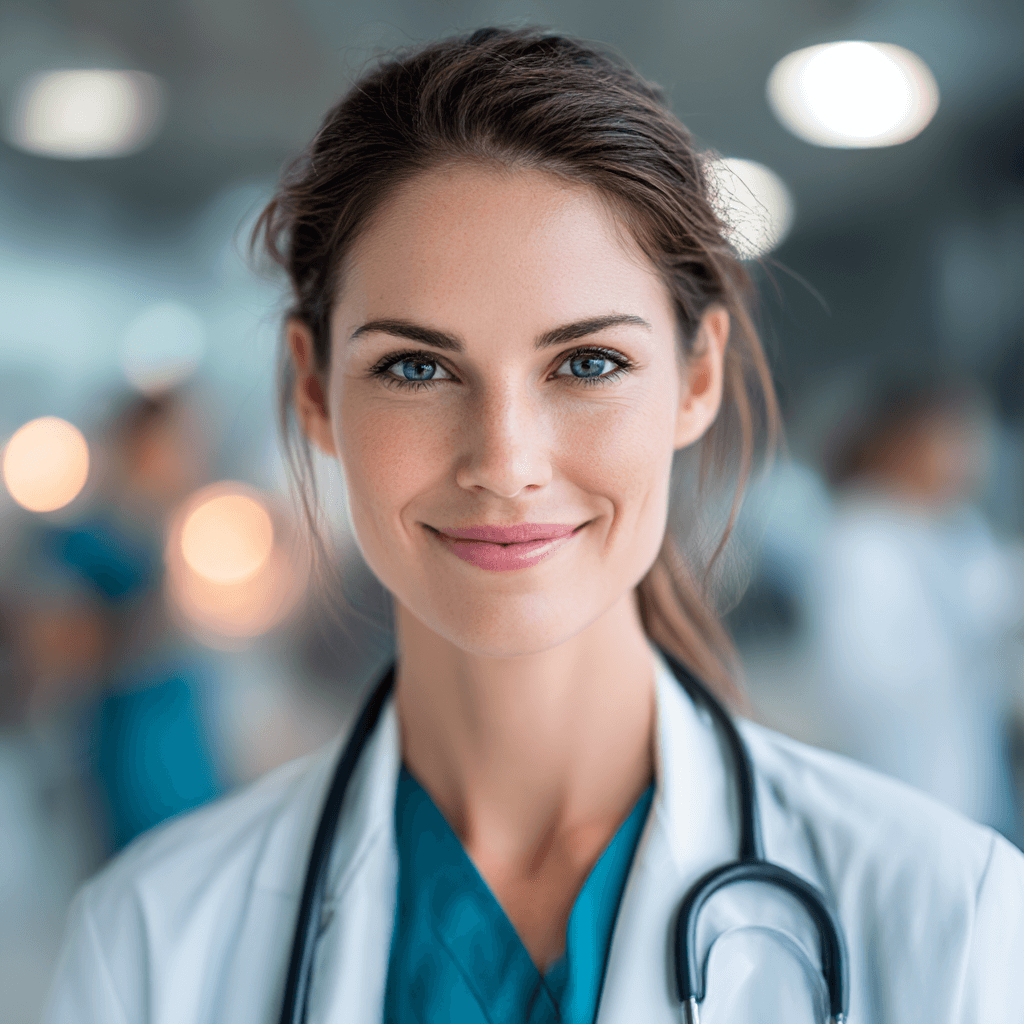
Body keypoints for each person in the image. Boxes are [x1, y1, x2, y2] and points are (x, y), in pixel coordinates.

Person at [43, 28, 1024, 1024]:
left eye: (587, 363)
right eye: (416, 367)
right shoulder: (149, 945)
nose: (506, 462)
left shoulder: (949, 916)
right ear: (311, 387)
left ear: (695, 377)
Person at [810, 369, 1024, 844]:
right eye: (948, 443)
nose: (965, 460)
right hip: (905, 769)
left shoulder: (957, 527)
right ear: (898, 446)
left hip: (974, 773)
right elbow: (864, 676)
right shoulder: (860, 538)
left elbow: (996, 603)